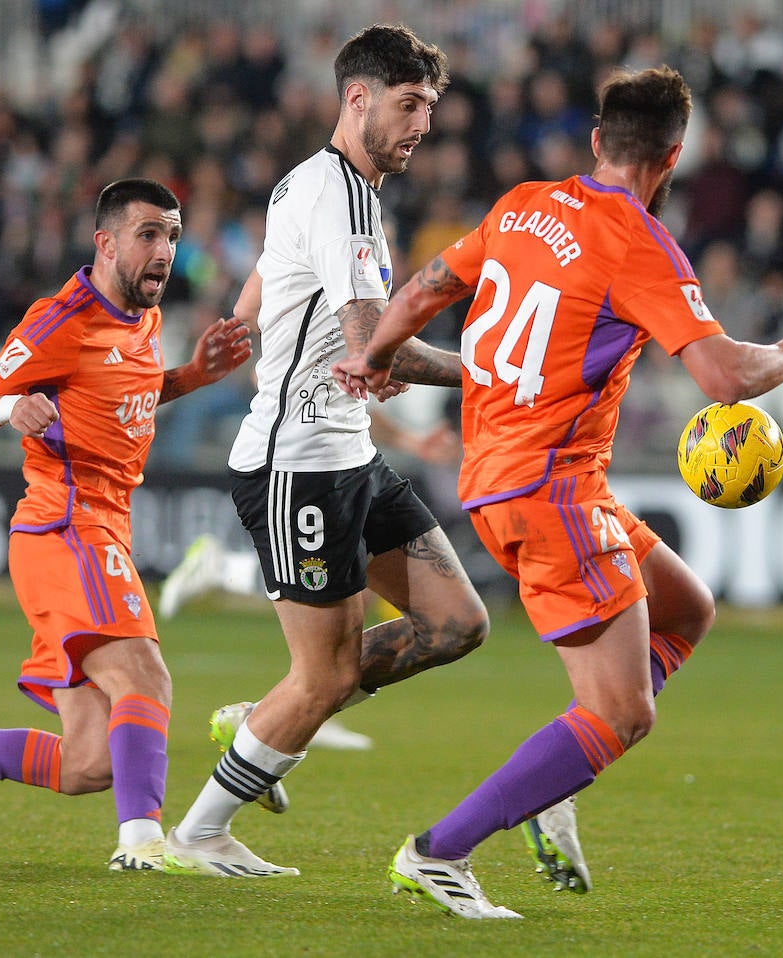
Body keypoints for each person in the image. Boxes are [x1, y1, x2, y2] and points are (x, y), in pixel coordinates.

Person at [334, 65, 783, 918]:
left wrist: (378, 352)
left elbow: (431, 285)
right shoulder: (640, 243)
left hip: (506, 476)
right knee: (622, 712)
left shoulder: (525, 204)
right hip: (550, 491)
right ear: (674, 158)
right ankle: (439, 852)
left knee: (686, 609)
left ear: (593, 140)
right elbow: (724, 376)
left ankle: (560, 777)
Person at [0, 177, 252, 871]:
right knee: (145, 680)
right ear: (107, 241)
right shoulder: (62, 319)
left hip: (99, 530)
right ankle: (142, 844)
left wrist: (190, 378)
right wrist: (9, 411)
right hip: (67, 525)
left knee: (89, 764)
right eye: (150, 234)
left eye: (174, 237)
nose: (164, 251)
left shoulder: (141, 317)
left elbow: (125, 392)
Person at [160, 24, 491, 879]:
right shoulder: (339, 194)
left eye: (431, 107)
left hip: (347, 458)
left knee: (456, 624)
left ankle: (264, 716)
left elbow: (270, 294)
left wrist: (288, 343)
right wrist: (504, 377)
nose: (422, 123)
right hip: (296, 467)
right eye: (409, 104)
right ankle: (198, 833)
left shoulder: (318, 187)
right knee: (327, 674)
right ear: (358, 98)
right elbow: (370, 343)